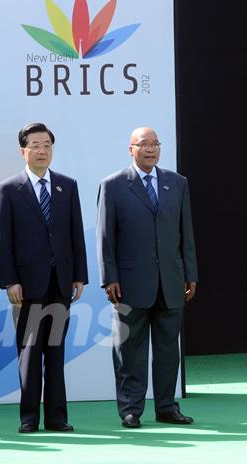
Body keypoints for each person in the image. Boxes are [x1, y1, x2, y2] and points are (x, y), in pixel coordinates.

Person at [97, 127, 198, 428]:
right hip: (129, 284)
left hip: (171, 281)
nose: (151, 149)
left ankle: (167, 407)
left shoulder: (177, 183)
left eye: (155, 144)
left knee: (169, 351)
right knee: (129, 352)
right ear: (131, 149)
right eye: (144, 144)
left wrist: (190, 273)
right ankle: (131, 409)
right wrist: (108, 278)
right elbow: (105, 238)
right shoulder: (113, 185)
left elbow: (186, 234)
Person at [0, 122, 88, 433]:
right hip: (27, 287)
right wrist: (10, 281)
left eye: (47, 144)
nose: (42, 150)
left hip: (60, 283)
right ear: (23, 151)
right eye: (35, 145)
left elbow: (76, 235)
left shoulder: (66, 185)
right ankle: (29, 418)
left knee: (56, 351)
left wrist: (79, 275)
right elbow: (1, 242)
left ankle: (57, 418)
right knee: (30, 353)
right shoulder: (9, 189)